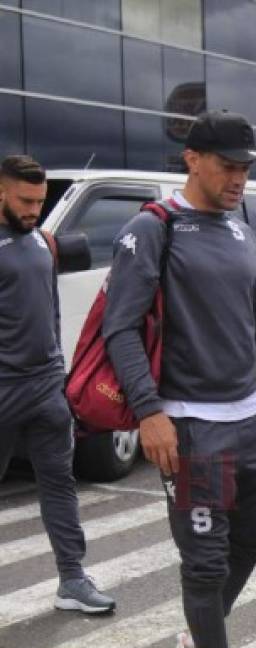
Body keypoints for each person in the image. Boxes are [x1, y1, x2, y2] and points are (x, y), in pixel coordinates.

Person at [103, 111, 256, 648]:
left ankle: (194, 646)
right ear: (192, 160)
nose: (239, 178)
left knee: (253, 542)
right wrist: (149, 412)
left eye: (246, 167)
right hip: (189, 424)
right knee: (205, 565)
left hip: (247, 420)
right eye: (228, 165)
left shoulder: (242, 231)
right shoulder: (154, 228)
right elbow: (119, 328)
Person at [0, 155, 116, 614]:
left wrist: (59, 373)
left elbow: (48, 311)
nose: (34, 209)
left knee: (59, 483)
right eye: (25, 200)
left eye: (39, 200)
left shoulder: (44, 243)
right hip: (3, 388)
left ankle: (72, 579)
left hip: (46, 386)